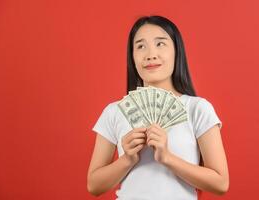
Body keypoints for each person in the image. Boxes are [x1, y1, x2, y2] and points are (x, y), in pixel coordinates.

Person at [87, 15, 229, 200]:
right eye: (140, 46)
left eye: (160, 44)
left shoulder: (197, 108)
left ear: (177, 51)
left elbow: (221, 183)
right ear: (132, 57)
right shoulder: (114, 111)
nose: (150, 54)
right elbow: (94, 185)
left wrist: (167, 157)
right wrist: (127, 159)